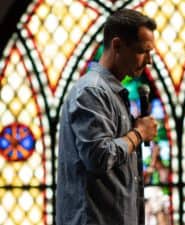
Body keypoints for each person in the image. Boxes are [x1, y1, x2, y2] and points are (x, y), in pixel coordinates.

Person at [55, 9, 158, 225]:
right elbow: (98, 157)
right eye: (143, 51)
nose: (149, 61)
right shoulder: (91, 91)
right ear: (117, 45)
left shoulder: (113, 94)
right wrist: (139, 134)